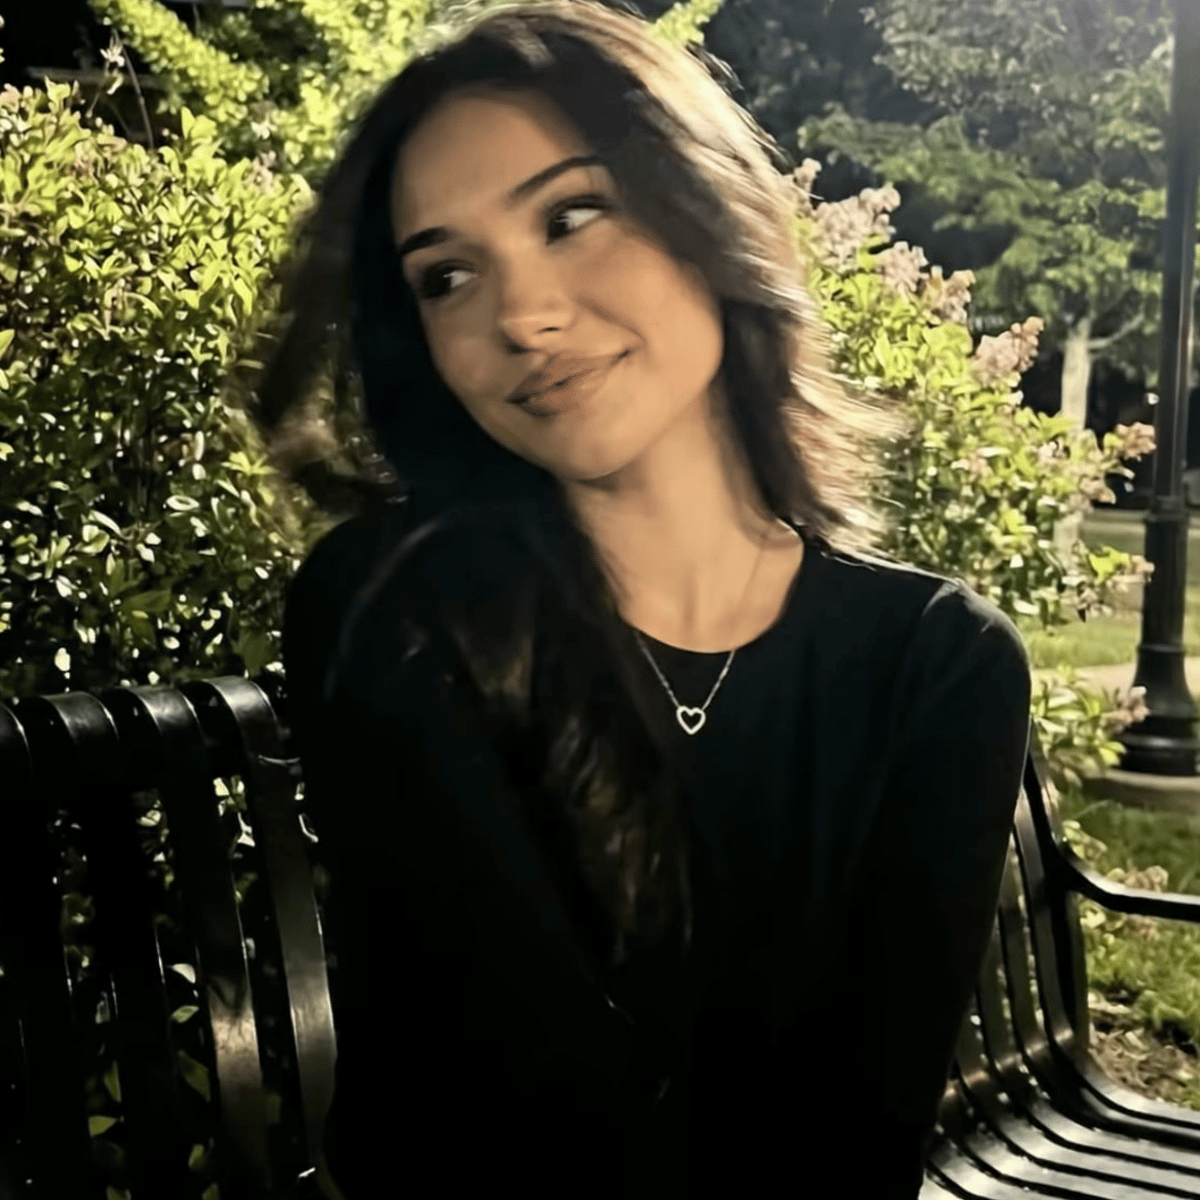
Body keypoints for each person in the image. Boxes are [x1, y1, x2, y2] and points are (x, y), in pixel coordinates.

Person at [256, 1, 1033, 1196]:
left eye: (572, 215)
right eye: (447, 276)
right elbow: (507, 1108)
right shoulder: (398, 611)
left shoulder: (938, 663)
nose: (522, 316)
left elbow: (864, 1136)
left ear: (707, 206)